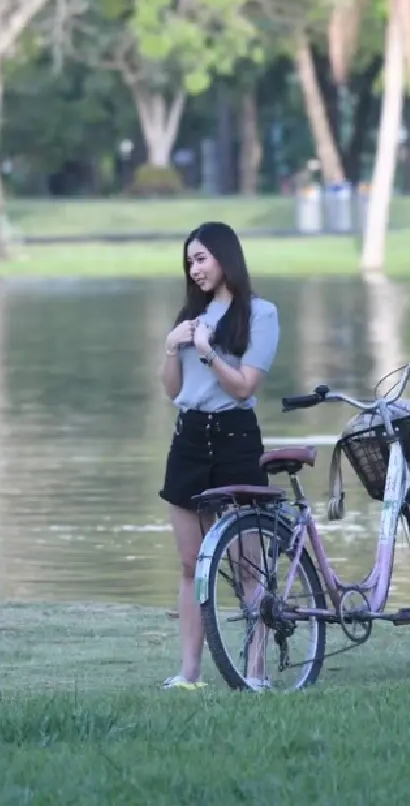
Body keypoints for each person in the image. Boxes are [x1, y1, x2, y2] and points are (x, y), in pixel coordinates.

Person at [158, 221, 280, 690]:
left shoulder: (261, 315)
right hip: (189, 437)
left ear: (226, 258)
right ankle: (188, 673)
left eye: (202, 258)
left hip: (234, 438)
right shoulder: (189, 318)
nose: (195, 269)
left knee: (248, 563)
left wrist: (209, 353)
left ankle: (255, 671)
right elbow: (173, 391)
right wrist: (172, 348)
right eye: (189, 262)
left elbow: (246, 386)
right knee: (191, 564)